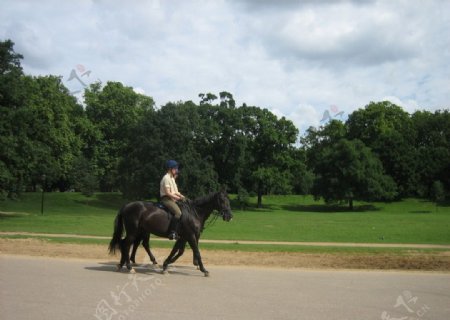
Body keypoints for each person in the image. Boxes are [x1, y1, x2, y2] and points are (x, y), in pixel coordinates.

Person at [160, 160, 185, 240]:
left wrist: (182, 196)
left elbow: (175, 191)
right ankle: (172, 232)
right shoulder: (166, 178)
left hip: (172, 199)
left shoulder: (172, 179)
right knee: (178, 213)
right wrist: (177, 198)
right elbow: (167, 193)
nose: (177, 170)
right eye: (175, 168)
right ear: (170, 169)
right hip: (166, 199)